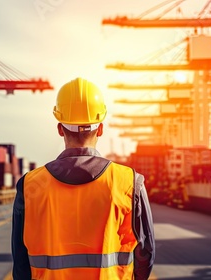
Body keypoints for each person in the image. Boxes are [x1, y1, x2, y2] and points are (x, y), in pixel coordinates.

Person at [11, 77, 155, 279]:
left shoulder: (29, 185)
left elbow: (20, 261)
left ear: (60, 129)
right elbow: (145, 252)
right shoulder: (129, 182)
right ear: (101, 129)